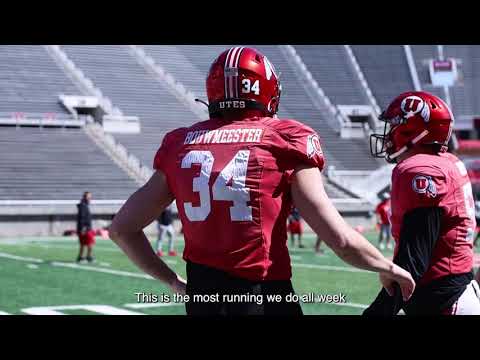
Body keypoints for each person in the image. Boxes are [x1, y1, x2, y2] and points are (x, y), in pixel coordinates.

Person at [109, 47, 414, 316]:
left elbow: (122, 229)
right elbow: (341, 240)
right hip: (264, 298)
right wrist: (388, 267)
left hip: (202, 301)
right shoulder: (286, 138)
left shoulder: (180, 144)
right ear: (265, 91)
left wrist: (173, 281)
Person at [365, 91, 480, 315]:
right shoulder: (446, 162)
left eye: (394, 126)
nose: (388, 134)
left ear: (413, 131)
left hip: (445, 301)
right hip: (453, 292)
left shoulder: (421, 170)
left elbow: (414, 260)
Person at [76, 191, 96, 263]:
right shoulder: (83, 206)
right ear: (85, 197)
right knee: (90, 243)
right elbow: (82, 217)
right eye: (89, 197)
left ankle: (80, 257)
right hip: (85, 229)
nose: (90, 198)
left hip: (83, 228)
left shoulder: (83, 205)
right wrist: (83, 228)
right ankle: (89, 256)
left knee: (83, 244)